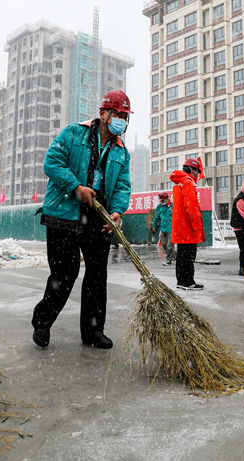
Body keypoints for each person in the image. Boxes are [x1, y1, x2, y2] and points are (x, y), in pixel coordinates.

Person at [31, 90, 132, 349]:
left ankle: (93, 331)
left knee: (97, 275)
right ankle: (42, 323)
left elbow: (122, 185)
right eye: (117, 114)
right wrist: (76, 187)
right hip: (63, 215)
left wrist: (117, 212)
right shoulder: (73, 134)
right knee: (65, 272)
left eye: (125, 116)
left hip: (98, 217)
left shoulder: (121, 151)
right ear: (103, 113)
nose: (121, 119)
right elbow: (52, 163)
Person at [171, 158, 205, 290]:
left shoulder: (179, 182)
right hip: (188, 227)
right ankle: (188, 281)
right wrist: (197, 227)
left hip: (180, 226)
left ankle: (181, 281)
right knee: (188, 256)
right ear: (191, 169)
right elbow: (192, 208)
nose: (197, 174)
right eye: (197, 171)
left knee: (181, 255)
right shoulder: (188, 183)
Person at [152, 192, 175, 265]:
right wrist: (154, 226)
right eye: (160, 200)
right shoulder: (159, 207)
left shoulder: (173, 206)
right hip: (163, 228)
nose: (162, 202)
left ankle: (169, 260)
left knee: (169, 245)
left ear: (167, 199)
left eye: (163, 200)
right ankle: (175, 256)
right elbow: (156, 218)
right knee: (163, 244)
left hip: (171, 229)